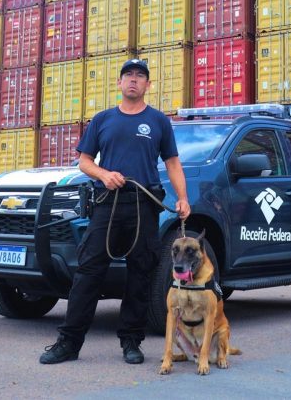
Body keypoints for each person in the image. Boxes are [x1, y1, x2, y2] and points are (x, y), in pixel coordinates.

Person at [40, 58, 191, 365]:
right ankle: (69, 342)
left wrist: (183, 198)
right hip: (107, 203)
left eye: (139, 76)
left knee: (140, 272)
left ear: (148, 85)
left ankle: (131, 342)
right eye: (128, 76)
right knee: (88, 272)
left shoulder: (159, 121)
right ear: (120, 84)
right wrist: (104, 174)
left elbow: (173, 163)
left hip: (143, 204)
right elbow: (84, 161)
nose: (133, 80)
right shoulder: (102, 120)